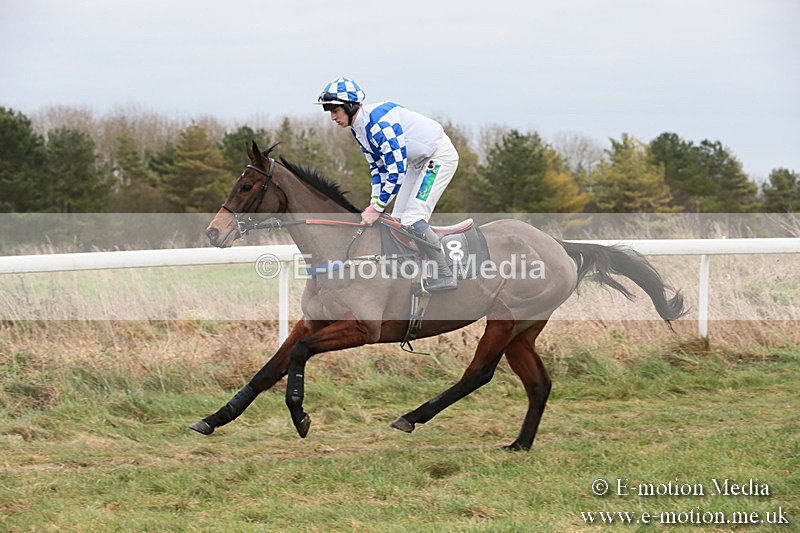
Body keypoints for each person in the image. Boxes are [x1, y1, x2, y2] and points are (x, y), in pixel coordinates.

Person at [314, 76, 459, 291]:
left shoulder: (379, 127)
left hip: (438, 157)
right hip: (415, 162)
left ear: (351, 106)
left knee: (413, 218)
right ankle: (411, 274)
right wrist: (374, 203)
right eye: (329, 111)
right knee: (397, 220)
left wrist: (377, 208)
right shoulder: (359, 129)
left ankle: (445, 273)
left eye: (335, 110)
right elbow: (377, 169)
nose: (332, 117)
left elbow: (395, 171)